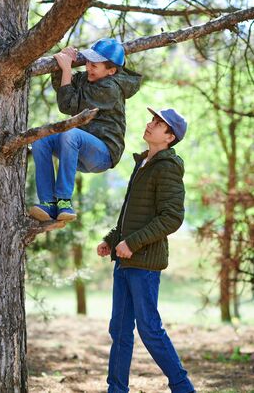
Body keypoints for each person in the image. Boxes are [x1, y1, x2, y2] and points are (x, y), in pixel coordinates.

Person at [97, 107, 195, 393]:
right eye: (152, 119)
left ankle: (183, 387)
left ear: (169, 137)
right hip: (125, 261)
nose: (150, 124)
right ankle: (116, 389)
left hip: (145, 263)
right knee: (120, 331)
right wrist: (112, 240)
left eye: (158, 123)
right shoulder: (143, 163)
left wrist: (133, 243)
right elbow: (132, 214)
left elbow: (171, 217)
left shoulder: (167, 166)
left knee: (150, 330)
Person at [29, 38, 142, 222]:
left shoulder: (110, 88)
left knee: (70, 133)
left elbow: (68, 104)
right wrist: (63, 62)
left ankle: (64, 201)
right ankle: (48, 204)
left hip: (102, 154)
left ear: (111, 71)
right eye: (88, 62)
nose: (88, 67)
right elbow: (65, 89)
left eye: (94, 65)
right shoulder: (90, 78)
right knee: (40, 139)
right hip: (76, 147)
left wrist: (67, 69)